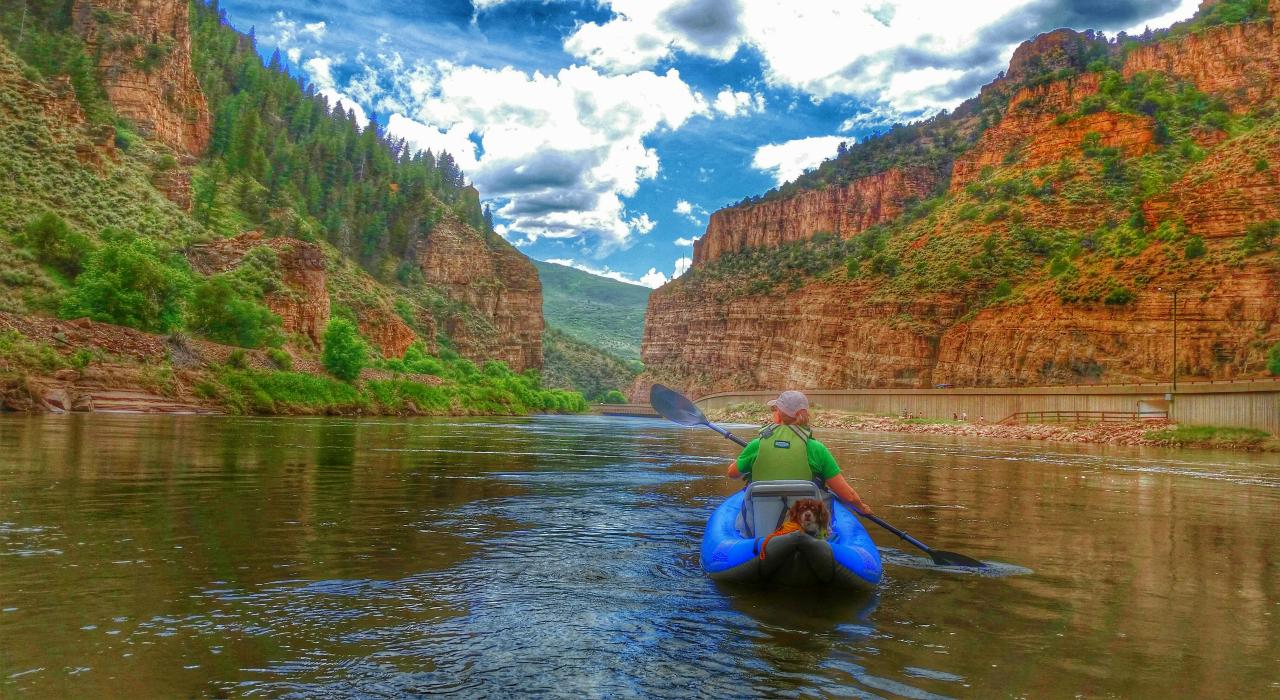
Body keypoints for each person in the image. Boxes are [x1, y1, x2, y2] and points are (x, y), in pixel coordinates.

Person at [726, 390, 872, 514]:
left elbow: (732, 473)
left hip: (762, 523)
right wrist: (862, 508)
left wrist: (750, 462)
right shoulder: (817, 449)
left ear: (778, 415)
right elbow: (849, 496)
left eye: (774, 409)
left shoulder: (756, 445)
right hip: (806, 526)